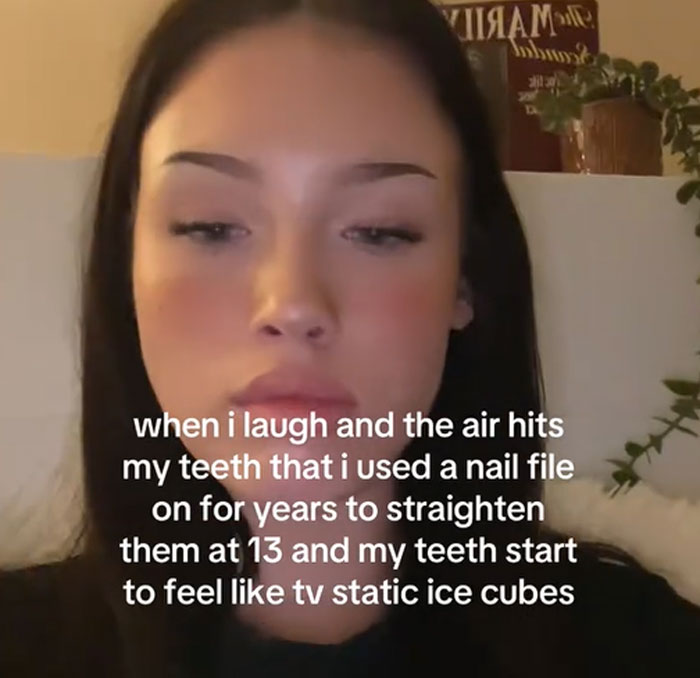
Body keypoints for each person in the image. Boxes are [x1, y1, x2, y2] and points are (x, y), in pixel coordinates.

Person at [1, 1, 699, 676]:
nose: (293, 303)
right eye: (209, 226)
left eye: (378, 231)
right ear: (127, 264)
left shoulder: (638, 648)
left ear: (466, 279)